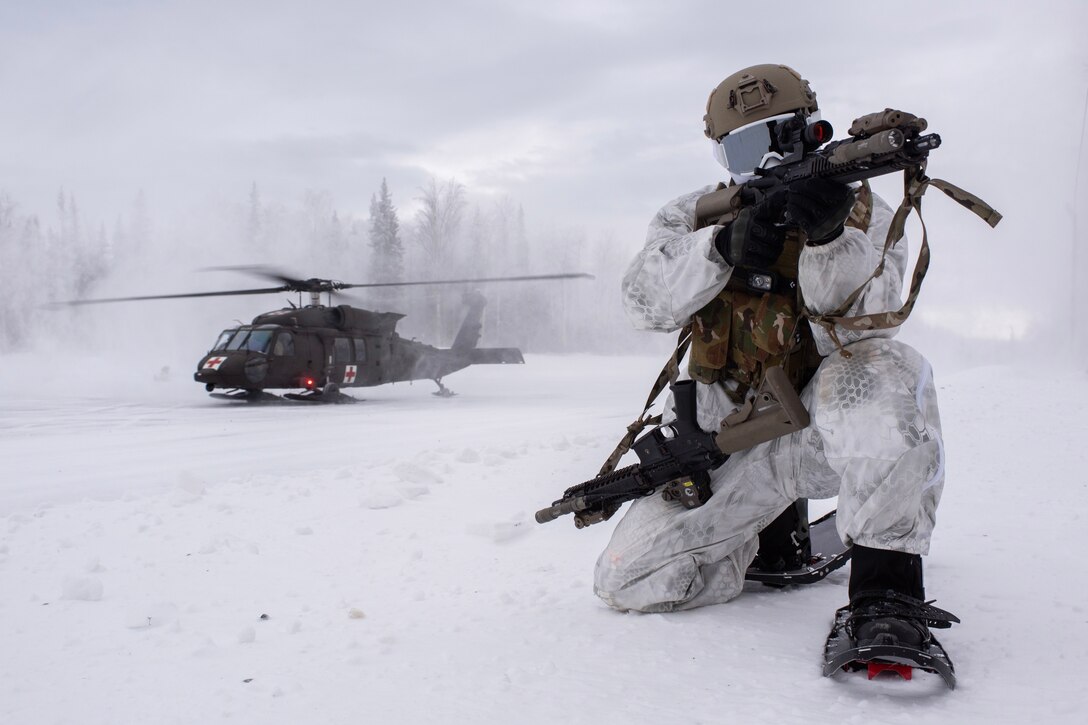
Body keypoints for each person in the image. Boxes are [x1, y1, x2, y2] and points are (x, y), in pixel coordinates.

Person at [593, 64, 955, 657]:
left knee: (888, 374)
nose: (763, 159)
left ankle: (886, 595)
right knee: (628, 580)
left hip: (819, 434)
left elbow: (871, 319)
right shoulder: (695, 213)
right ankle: (762, 534)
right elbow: (642, 302)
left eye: (778, 136)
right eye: (742, 146)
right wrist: (718, 248)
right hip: (728, 440)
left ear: (812, 130)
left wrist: (829, 236)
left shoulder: (865, 210)